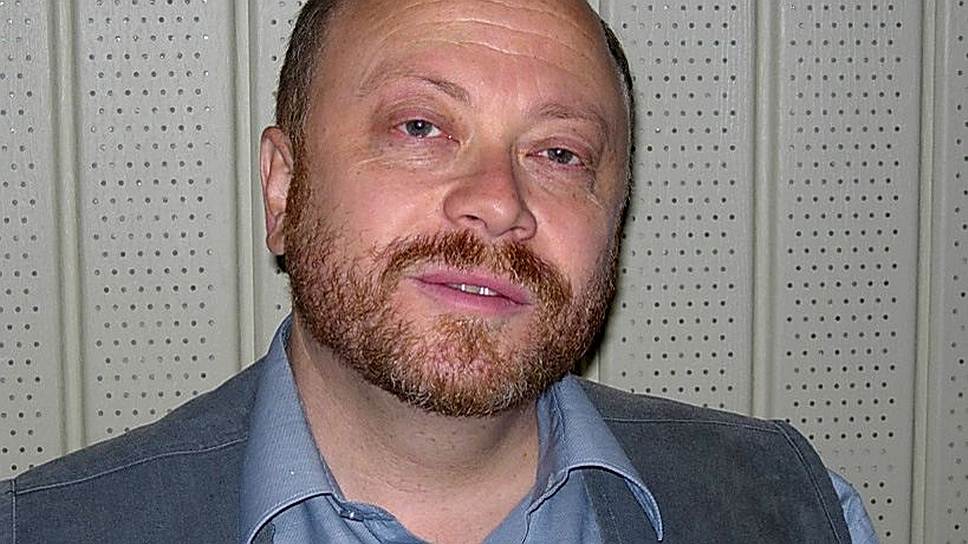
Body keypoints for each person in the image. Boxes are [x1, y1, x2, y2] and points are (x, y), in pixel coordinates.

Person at [1, 0, 880, 542]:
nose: (498, 202)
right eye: (419, 128)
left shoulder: (795, 512)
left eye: (561, 153)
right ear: (284, 188)